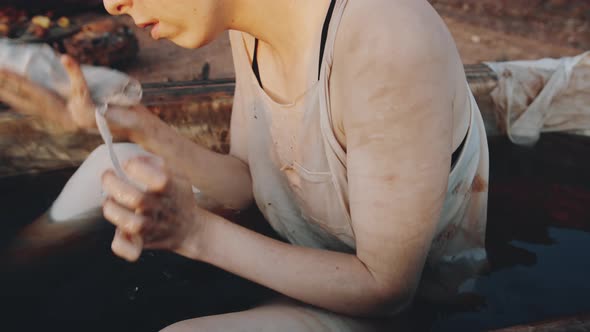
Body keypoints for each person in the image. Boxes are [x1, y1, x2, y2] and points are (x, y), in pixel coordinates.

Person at [0, 0, 489, 330]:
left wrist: (194, 234)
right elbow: (249, 184)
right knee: (114, 165)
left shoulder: (385, 35)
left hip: (397, 309)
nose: (111, 3)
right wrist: (126, 125)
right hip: (298, 256)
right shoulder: (256, 26)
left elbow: (388, 290)